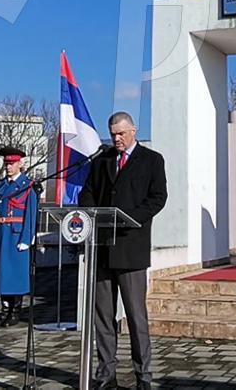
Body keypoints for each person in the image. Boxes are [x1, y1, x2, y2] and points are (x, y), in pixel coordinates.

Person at [79, 112, 167, 390]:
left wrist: (132, 217)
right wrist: (93, 213)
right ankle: (106, 374)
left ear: (133, 130)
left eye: (121, 133)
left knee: (136, 316)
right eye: (113, 133)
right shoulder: (102, 160)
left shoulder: (152, 160)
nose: (117, 138)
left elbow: (158, 197)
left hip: (131, 248)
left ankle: (143, 376)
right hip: (102, 249)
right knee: (102, 317)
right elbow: (88, 192)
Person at [0, 145, 37, 327]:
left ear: (20, 164)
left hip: (15, 235)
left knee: (16, 276)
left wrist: (26, 238)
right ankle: (4, 311)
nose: (8, 167)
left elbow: (31, 214)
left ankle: (15, 312)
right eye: (6, 163)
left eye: (12, 163)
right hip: (0, 233)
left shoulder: (27, 186)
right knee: (2, 275)